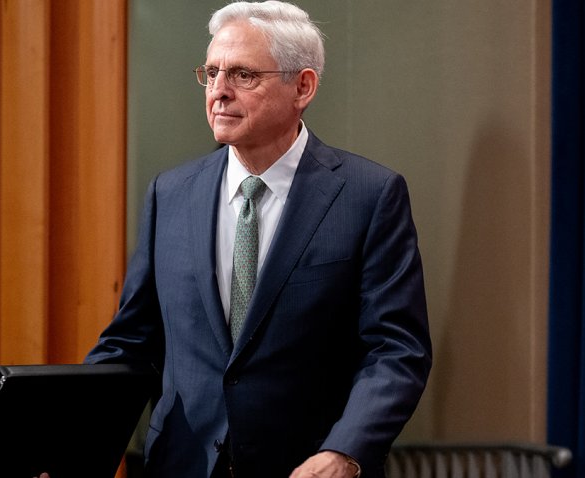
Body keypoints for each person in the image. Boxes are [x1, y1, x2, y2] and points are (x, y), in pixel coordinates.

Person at [84, 2, 432, 477]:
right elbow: (130, 343)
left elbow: (395, 351)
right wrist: (71, 444)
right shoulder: (171, 193)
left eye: (243, 75)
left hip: (307, 466)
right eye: (211, 72)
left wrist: (344, 452)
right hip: (181, 466)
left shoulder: (369, 196)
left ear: (303, 87)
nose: (219, 92)